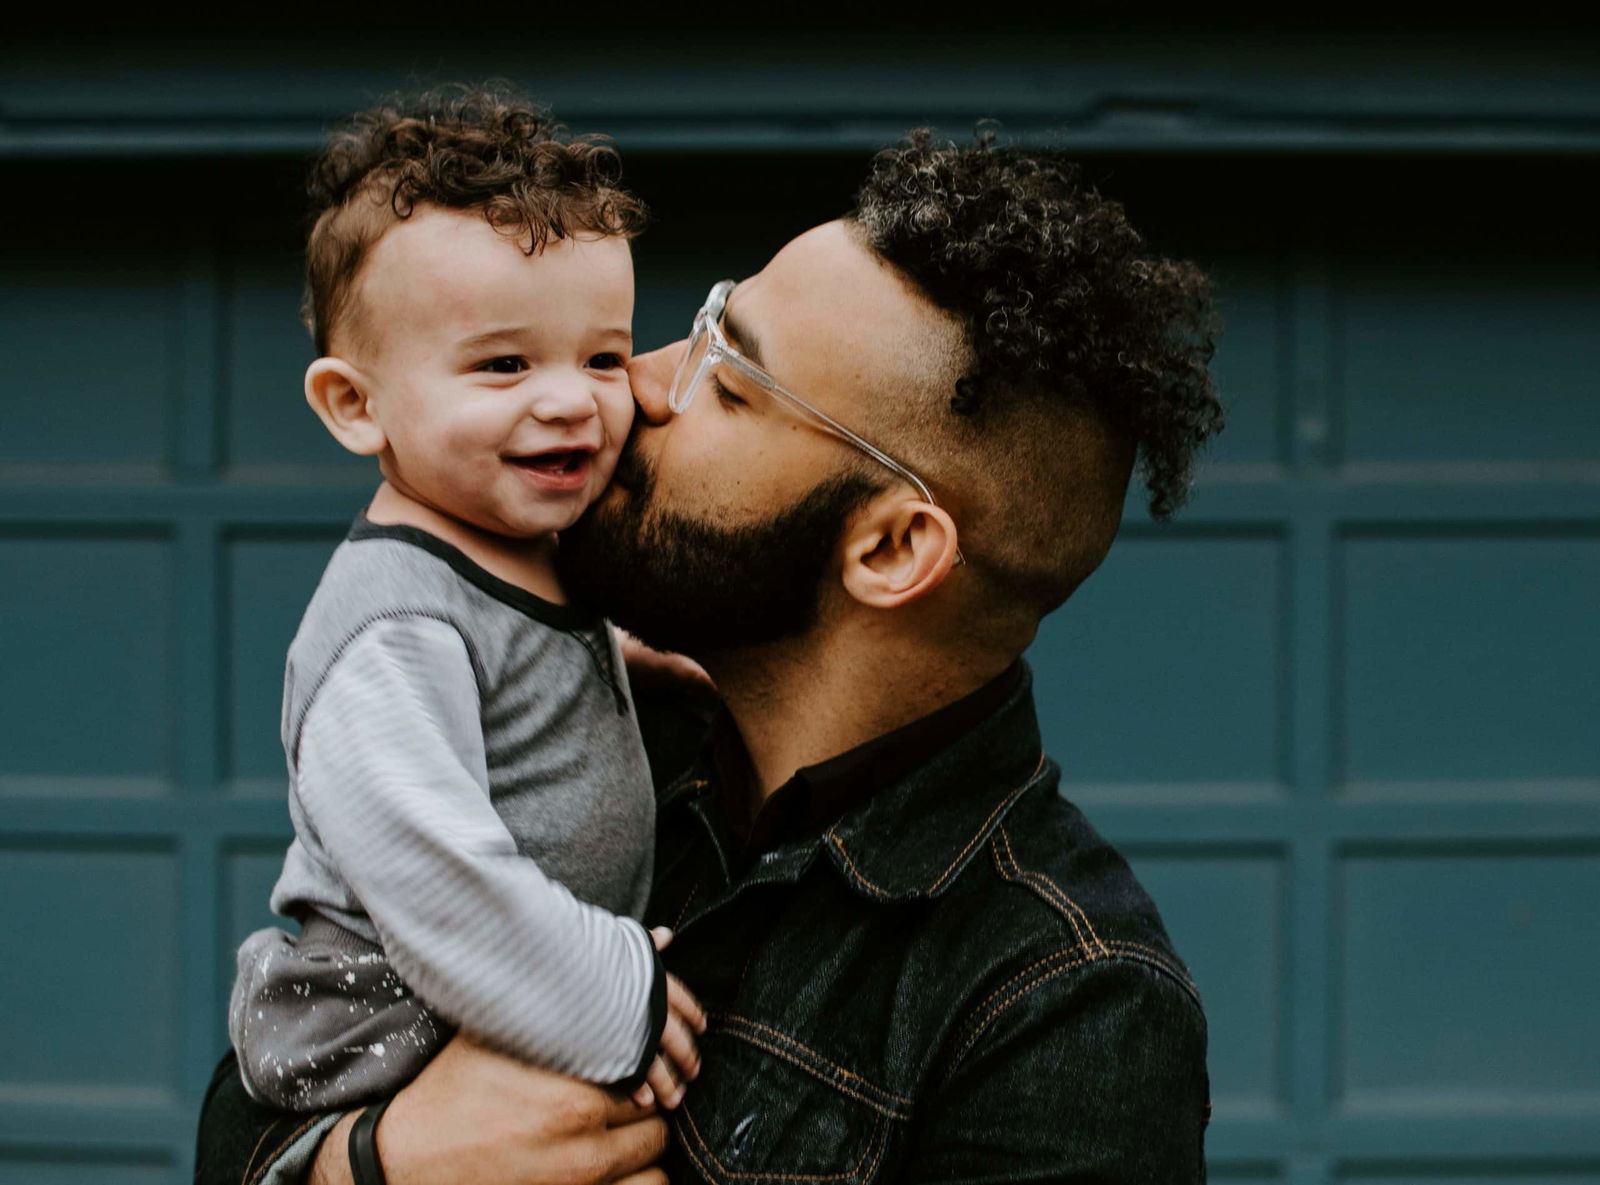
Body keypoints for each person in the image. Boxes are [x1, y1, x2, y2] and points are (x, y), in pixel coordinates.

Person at [197, 123, 1224, 1184]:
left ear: (890, 546)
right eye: (696, 333)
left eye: (728, 383)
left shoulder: (1063, 1004)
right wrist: (373, 1165)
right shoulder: (580, 731)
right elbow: (255, 1096)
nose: (631, 387)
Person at [224, 84, 703, 1125]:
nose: (571, 398)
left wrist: (620, 661)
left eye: (604, 357)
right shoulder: (392, 629)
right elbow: (434, 872)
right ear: (356, 405)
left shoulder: (521, 550)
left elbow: (515, 665)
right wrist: (611, 996)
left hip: (495, 1002)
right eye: (503, 364)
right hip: (382, 1029)